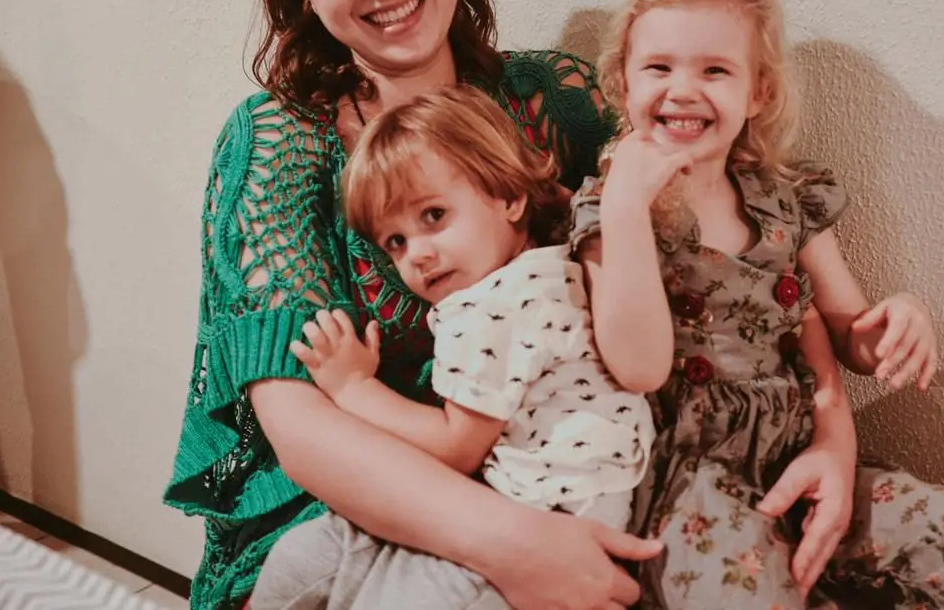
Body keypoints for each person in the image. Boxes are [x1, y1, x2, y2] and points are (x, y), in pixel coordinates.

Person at [163, 0, 661, 610]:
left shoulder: (556, 100)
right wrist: (517, 545)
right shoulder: (281, 142)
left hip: (554, 478)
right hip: (345, 513)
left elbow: (698, 253)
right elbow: (299, 426)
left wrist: (830, 417)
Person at [570, 0, 944, 608]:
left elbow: (848, 331)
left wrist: (896, 318)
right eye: (658, 68)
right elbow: (634, 366)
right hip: (686, 484)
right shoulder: (609, 210)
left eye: (714, 70)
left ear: (758, 95)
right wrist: (630, 206)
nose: (683, 89)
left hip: (803, 450)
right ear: (621, 86)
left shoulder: (787, 197)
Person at [249, 86, 656, 609]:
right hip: (542, 499)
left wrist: (353, 387)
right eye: (394, 241)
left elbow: (455, 447)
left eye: (433, 216)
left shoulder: (490, 308)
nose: (417, 254)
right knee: (307, 553)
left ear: (509, 198)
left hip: (548, 520)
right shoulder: (551, 267)